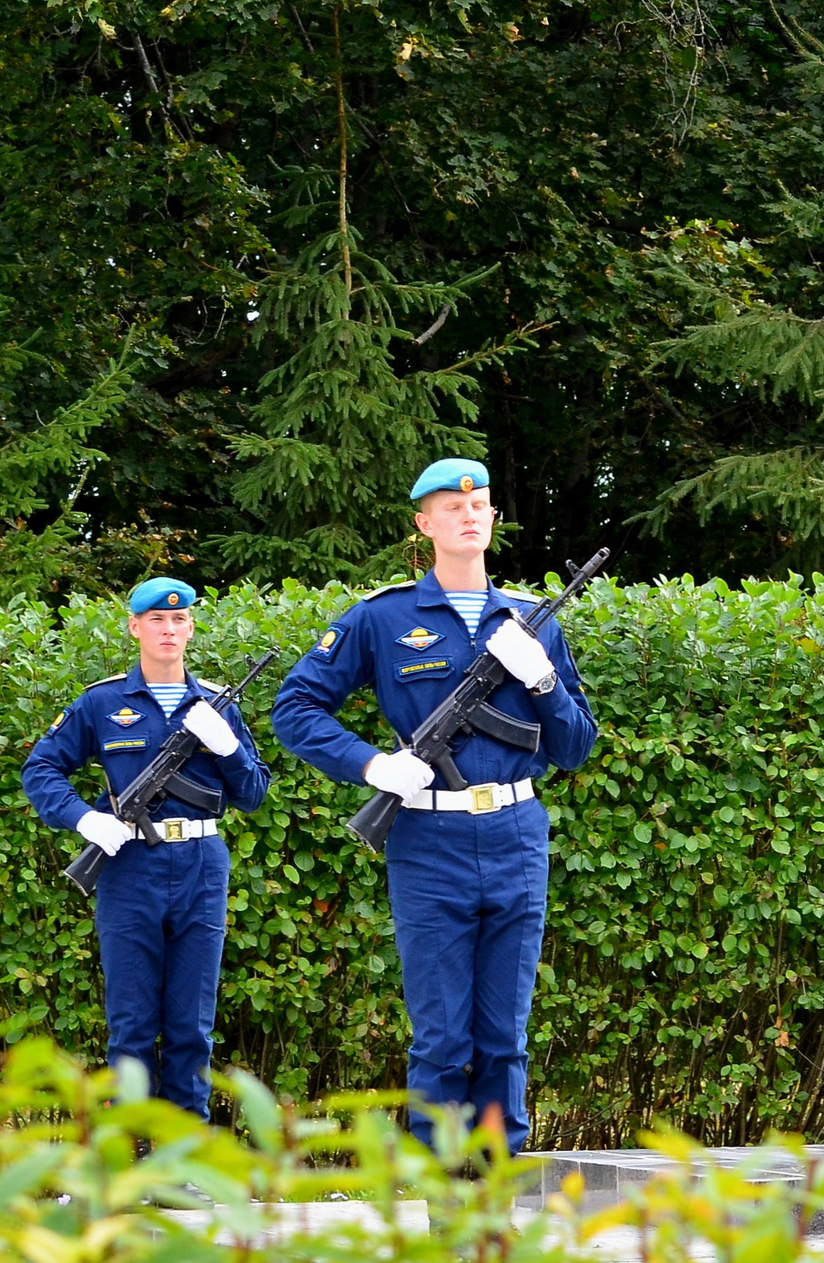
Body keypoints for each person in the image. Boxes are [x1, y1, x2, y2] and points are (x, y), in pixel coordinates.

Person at [270, 458, 596, 1149]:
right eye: (451, 507)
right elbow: (295, 707)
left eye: (479, 506)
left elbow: (573, 747)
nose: (468, 515)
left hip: (515, 833)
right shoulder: (383, 618)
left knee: (504, 1033)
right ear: (424, 524)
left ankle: (500, 1188)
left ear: (494, 522)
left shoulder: (534, 623)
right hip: (428, 841)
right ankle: (438, 1190)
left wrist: (542, 680)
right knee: (444, 1036)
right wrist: (374, 764)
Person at [21, 577, 271, 1116]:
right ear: (135, 626)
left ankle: (183, 1155)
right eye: (157, 619)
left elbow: (252, 793)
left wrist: (227, 747)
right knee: (131, 1025)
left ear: (191, 628)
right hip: (129, 865)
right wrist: (85, 819)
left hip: (201, 867)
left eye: (179, 620)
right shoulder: (103, 702)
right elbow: (41, 769)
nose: (169, 629)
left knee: (191, 1025)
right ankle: (122, 1158)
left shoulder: (216, 705)